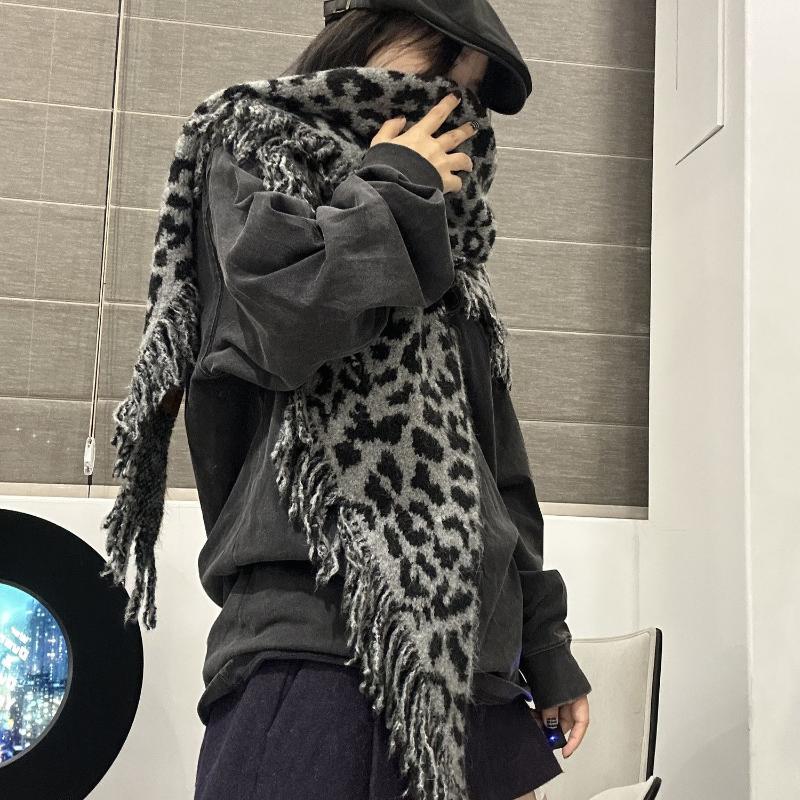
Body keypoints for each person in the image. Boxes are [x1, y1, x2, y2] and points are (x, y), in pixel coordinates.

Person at [188, 6, 591, 800]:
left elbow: (495, 468)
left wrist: (545, 646)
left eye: (465, 95)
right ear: (360, 38)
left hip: (474, 667)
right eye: (433, 72)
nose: (447, 108)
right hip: (315, 645)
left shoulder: (449, 252)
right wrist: (397, 183)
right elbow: (289, 324)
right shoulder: (252, 153)